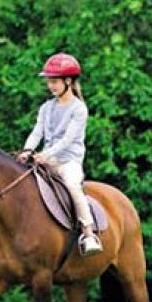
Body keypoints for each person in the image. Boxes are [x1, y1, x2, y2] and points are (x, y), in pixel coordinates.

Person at [17, 53, 103, 257]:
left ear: (68, 81)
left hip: (68, 162)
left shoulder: (79, 109)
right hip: (46, 159)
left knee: (73, 187)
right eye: (49, 81)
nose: (50, 85)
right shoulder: (46, 107)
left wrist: (45, 155)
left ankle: (88, 233)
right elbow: (37, 132)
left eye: (54, 81)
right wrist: (27, 150)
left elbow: (67, 140)